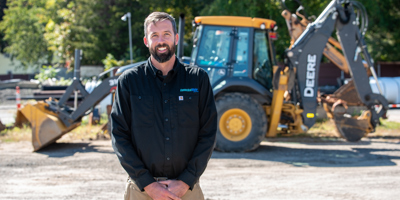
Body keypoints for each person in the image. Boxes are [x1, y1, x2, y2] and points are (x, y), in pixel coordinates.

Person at [111, 11, 217, 200]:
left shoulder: (197, 79)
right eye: (154, 35)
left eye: (166, 34)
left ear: (176, 38)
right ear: (146, 41)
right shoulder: (129, 82)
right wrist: (148, 184)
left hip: (186, 190)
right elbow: (119, 136)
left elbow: (208, 134)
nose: (161, 41)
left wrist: (186, 181)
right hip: (141, 190)